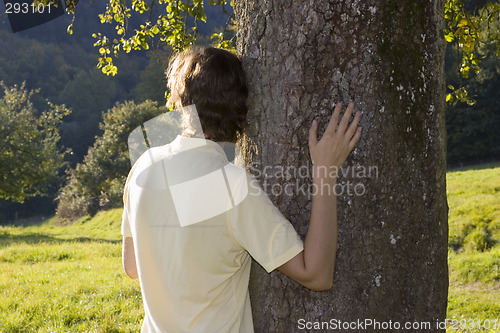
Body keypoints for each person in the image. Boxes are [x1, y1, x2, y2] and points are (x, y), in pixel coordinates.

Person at [121, 46, 362, 332]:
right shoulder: (232, 187)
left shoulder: (144, 165)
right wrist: (325, 171)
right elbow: (317, 275)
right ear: (242, 110)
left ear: (180, 101)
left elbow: (133, 267)